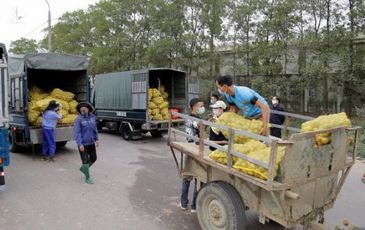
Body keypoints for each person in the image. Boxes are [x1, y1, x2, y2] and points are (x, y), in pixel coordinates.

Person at [180, 98, 205, 213]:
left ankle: (190, 205)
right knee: (189, 178)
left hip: (195, 149)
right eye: (201, 106)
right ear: (194, 107)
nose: (202, 108)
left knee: (193, 178)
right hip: (192, 150)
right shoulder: (192, 119)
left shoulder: (196, 118)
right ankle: (187, 204)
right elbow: (200, 129)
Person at [73, 102, 99, 185]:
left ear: (88, 109)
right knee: (85, 161)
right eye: (81, 108)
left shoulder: (92, 118)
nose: (83, 109)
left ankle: (84, 169)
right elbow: (77, 132)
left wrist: (97, 139)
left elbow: (95, 129)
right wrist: (79, 144)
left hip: (91, 142)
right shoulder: (78, 119)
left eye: (85, 107)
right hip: (83, 144)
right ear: (79, 110)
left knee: (94, 158)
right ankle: (87, 177)